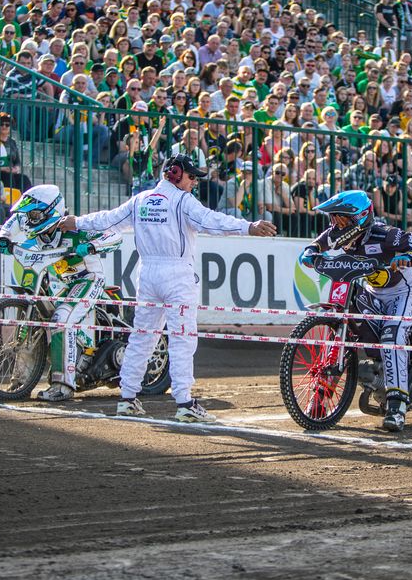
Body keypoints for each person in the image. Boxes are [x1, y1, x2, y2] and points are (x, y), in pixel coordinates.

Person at [60, 154, 277, 422]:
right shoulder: (182, 201)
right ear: (175, 174)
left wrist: (77, 222)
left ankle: (127, 397)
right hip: (177, 273)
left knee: (142, 336)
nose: (194, 182)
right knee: (182, 338)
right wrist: (248, 227)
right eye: (191, 176)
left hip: (148, 273)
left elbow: (108, 219)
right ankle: (185, 402)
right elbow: (212, 221)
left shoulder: (141, 200)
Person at [298, 190, 412, 432]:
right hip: (372, 293)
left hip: (403, 293)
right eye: (334, 220)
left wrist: (409, 256)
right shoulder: (337, 235)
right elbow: (317, 244)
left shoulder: (386, 235)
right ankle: (321, 397)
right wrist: (310, 252)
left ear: (360, 218)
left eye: (341, 220)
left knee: (391, 337)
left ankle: (397, 406)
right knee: (343, 323)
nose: (336, 225)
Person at [0, 184, 122, 401]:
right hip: (62, 284)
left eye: (35, 214)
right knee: (33, 318)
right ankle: (20, 379)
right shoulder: (34, 229)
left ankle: (63, 386)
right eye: (29, 214)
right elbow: (14, 221)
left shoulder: (74, 227)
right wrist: (4, 237)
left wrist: (91, 246)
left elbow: (114, 236)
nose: (29, 219)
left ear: (52, 210)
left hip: (88, 279)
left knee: (61, 319)